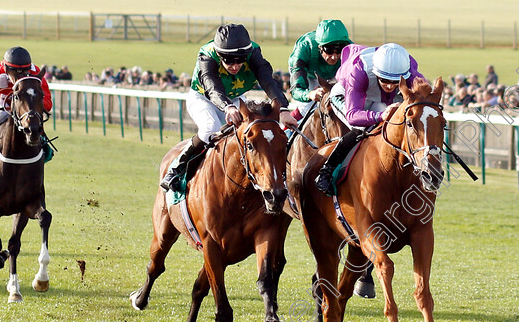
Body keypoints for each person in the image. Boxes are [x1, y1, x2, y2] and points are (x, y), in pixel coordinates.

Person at [160, 24, 298, 191]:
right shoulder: (207, 55)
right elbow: (212, 88)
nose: (235, 66)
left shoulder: (253, 53)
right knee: (211, 128)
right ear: (219, 55)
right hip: (203, 98)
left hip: (235, 98)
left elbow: (268, 81)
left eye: (240, 61)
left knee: (255, 132)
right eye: (229, 61)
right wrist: (228, 107)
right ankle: (177, 168)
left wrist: (282, 109)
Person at [314, 43, 427, 196]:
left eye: (395, 82)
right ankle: (327, 171)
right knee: (362, 128)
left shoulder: (414, 77)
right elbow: (353, 116)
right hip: (346, 96)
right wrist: (379, 116)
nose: (389, 85)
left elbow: (426, 107)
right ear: (376, 73)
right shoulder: (360, 72)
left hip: (378, 99)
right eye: (384, 80)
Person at [288, 20, 352, 120]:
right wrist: (309, 94)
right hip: (309, 75)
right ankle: (284, 129)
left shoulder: (351, 51)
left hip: (334, 75)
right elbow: (296, 90)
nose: (334, 56)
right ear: (320, 47)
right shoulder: (304, 49)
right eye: (329, 50)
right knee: (306, 108)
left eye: (339, 49)